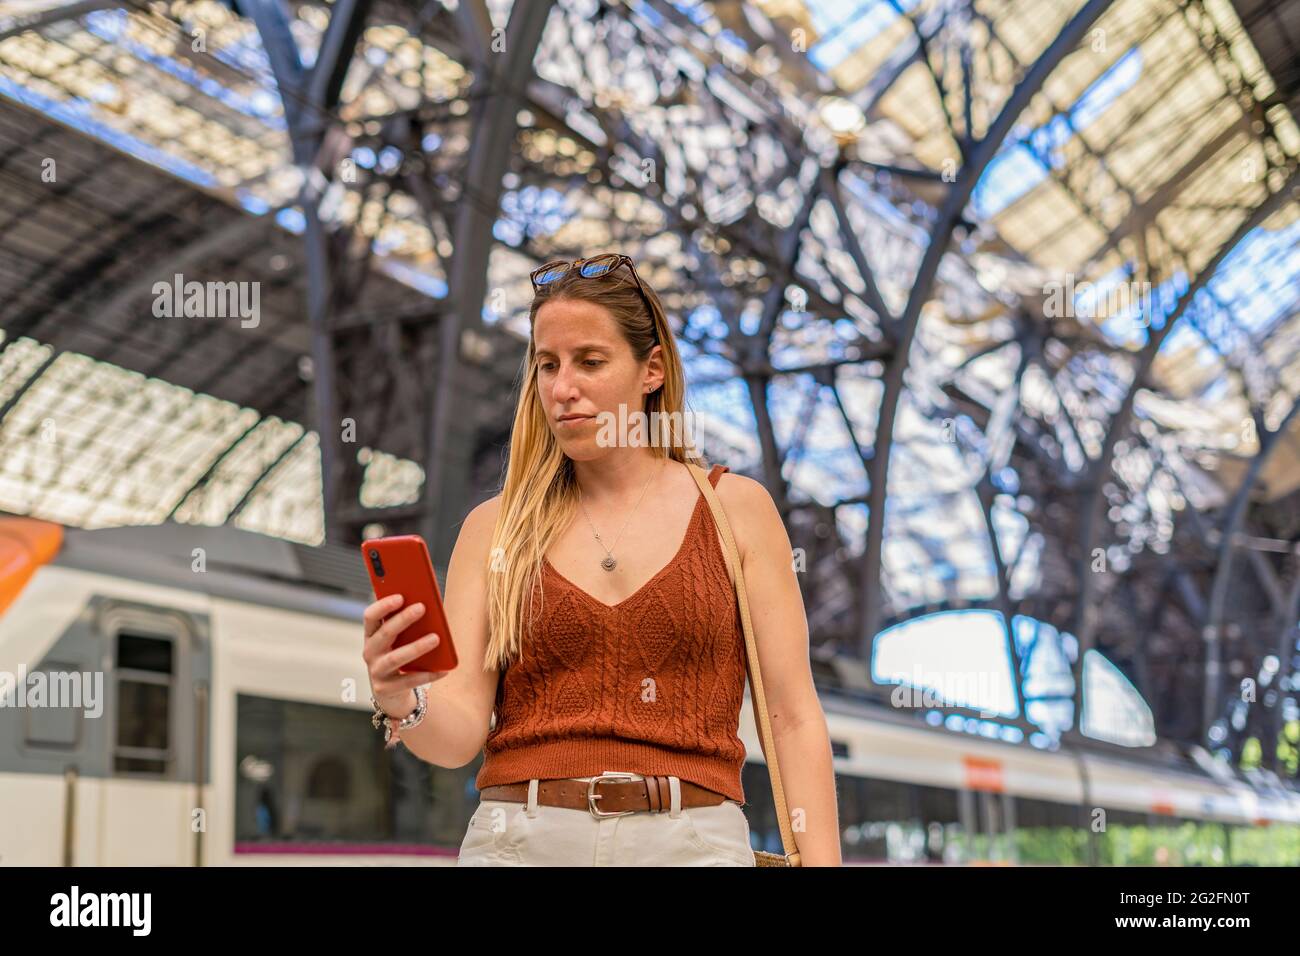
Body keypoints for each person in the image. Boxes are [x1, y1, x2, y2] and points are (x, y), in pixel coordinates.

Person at [362, 252, 840, 865]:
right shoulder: (495, 528)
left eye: (590, 362)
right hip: (518, 842)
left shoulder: (735, 511)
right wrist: (404, 700)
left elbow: (792, 717)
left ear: (652, 370)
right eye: (547, 365)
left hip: (692, 844)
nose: (563, 389)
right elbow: (457, 737)